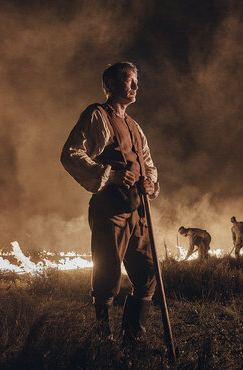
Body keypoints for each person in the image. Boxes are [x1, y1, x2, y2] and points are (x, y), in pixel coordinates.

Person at [60, 62, 159, 342]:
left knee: (148, 272)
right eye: (129, 81)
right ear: (111, 85)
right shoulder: (97, 114)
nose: (135, 86)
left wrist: (150, 183)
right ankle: (103, 340)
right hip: (110, 209)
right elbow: (71, 153)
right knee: (107, 277)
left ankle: (132, 338)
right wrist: (111, 175)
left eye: (136, 81)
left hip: (138, 210)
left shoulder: (134, 125)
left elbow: (147, 162)